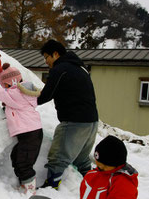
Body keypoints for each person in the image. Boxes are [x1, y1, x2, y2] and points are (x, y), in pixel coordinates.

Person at [29, 39, 98, 189]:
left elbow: (46, 95)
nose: (46, 61)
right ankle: (94, 187)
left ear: (55, 54)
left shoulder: (60, 69)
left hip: (74, 121)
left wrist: (22, 103)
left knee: (58, 156)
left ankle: (51, 187)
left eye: (47, 57)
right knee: (82, 160)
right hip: (92, 122)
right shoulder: (80, 67)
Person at [0, 63, 43, 193]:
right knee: (16, 156)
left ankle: (29, 190)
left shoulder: (15, 94)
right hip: (30, 133)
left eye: (5, 84)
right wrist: (0, 74)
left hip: (30, 133)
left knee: (23, 162)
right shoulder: (19, 91)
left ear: (9, 84)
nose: (4, 87)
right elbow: (6, 87)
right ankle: (24, 183)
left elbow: (0, 92)